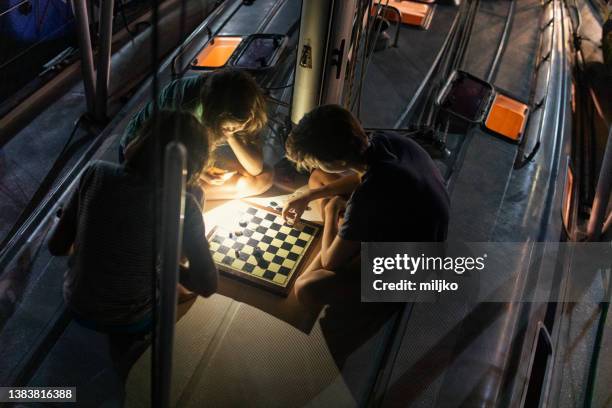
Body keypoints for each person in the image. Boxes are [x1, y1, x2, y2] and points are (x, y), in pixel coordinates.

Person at [49, 111, 218, 332]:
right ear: (194, 166)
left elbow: (56, 246)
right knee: (185, 296)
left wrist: (64, 218)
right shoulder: (186, 205)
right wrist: (164, 268)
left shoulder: (95, 171)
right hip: (133, 319)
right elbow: (207, 286)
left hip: (76, 303)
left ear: (141, 139)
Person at [282, 104, 450, 305]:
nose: (315, 166)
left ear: (338, 161)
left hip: (414, 265)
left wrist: (331, 210)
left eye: (316, 162)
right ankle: (346, 236)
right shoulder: (382, 139)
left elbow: (329, 263)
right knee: (318, 179)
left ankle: (345, 239)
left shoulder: (368, 196)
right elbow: (364, 177)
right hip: (414, 218)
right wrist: (309, 195)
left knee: (306, 288)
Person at [119, 68, 273, 200]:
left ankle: (184, 196)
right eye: (229, 128)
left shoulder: (242, 103)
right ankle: (176, 200)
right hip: (147, 159)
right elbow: (133, 153)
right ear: (213, 118)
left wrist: (230, 135)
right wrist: (199, 174)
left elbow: (256, 168)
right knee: (185, 193)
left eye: (241, 126)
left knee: (264, 178)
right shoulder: (182, 104)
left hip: (188, 153)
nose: (240, 129)